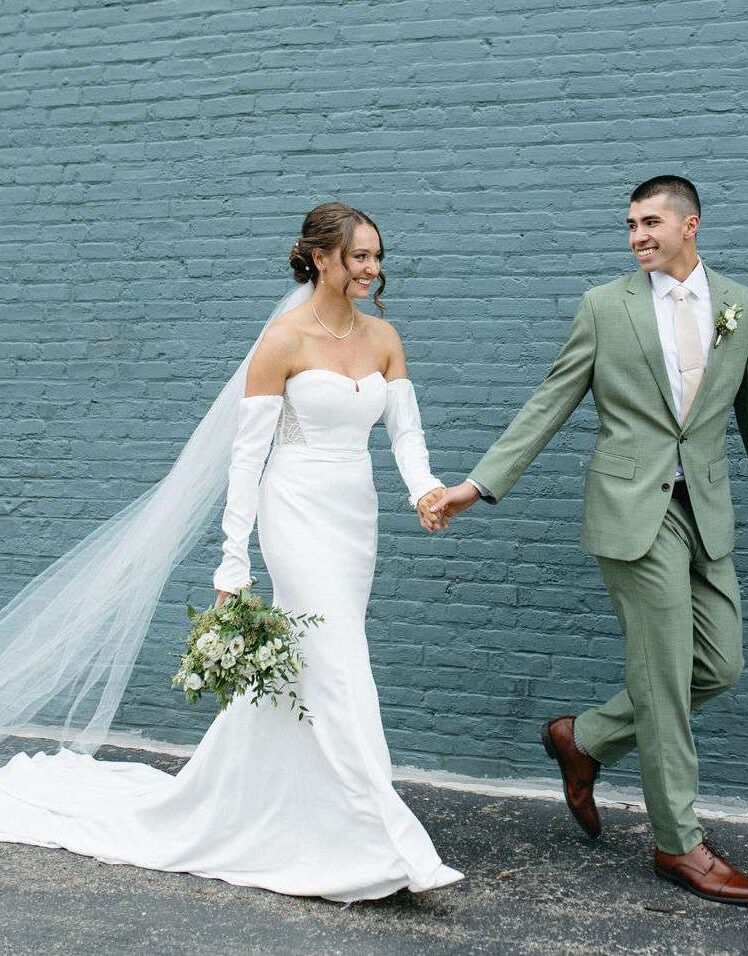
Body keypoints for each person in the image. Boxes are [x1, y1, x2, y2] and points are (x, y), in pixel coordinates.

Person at [0, 202, 463, 902]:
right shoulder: (281, 343)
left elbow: (405, 436)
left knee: (316, 660)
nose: (373, 268)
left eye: (376, 256)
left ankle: (259, 802)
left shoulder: (385, 338)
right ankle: (384, 837)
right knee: (338, 659)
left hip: (354, 514)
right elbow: (246, 462)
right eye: (359, 256)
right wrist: (233, 561)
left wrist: (424, 490)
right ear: (320, 258)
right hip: (296, 508)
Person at [434, 176, 748, 906]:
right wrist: (478, 484)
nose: (636, 236)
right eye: (629, 225)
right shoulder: (606, 307)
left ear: (690, 225)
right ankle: (680, 844)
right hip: (634, 513)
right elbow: (552, 399)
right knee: (664, 678)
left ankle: (587, 737)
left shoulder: (741, 306)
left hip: (706, 512)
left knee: (720, 664)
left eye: (650, 222)